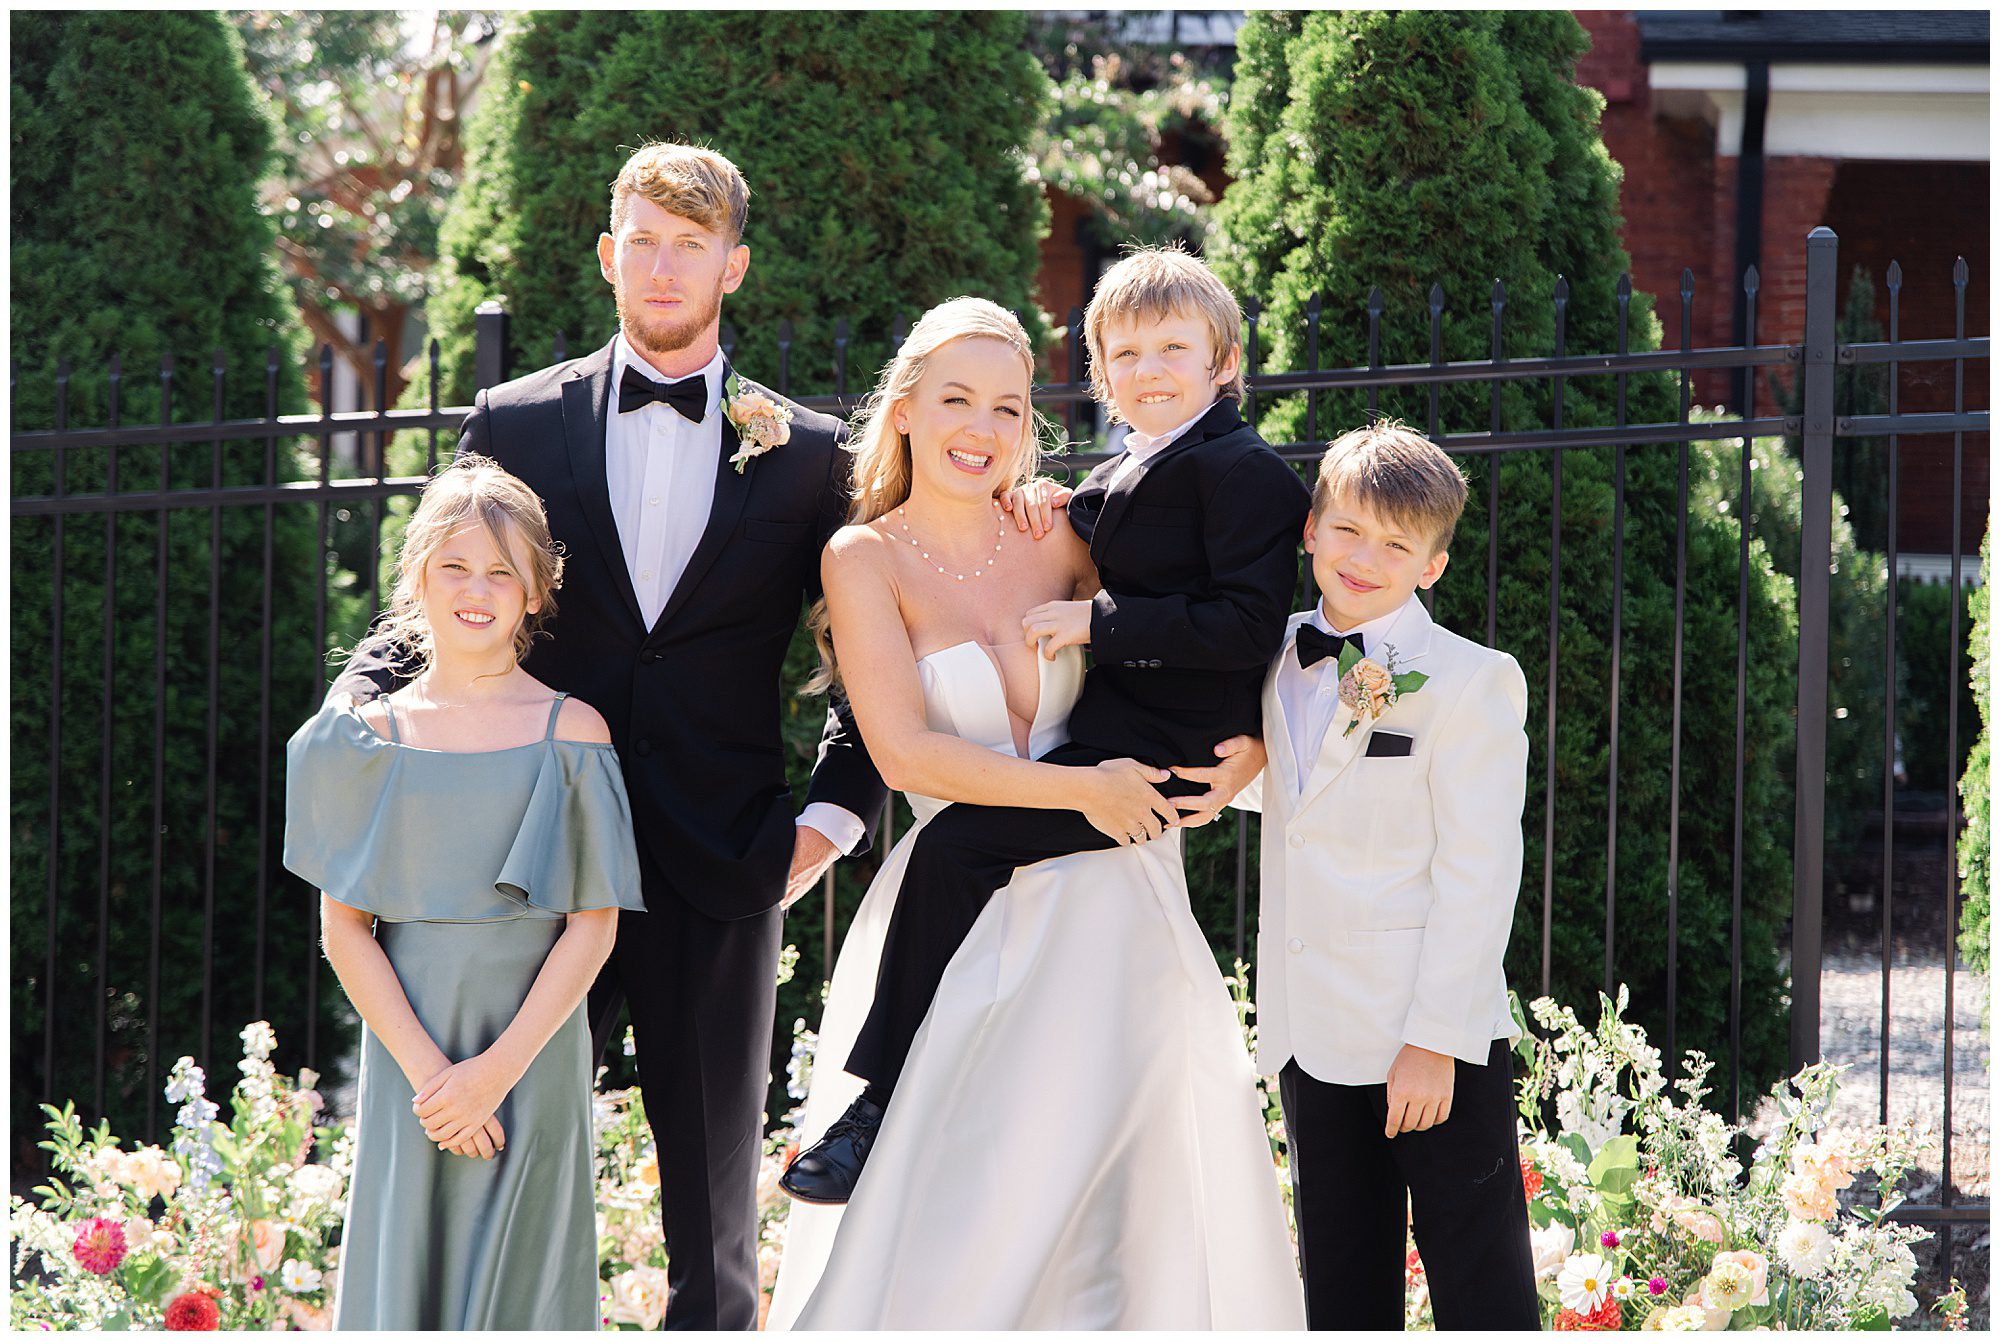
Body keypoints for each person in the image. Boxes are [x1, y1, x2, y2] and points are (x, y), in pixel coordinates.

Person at [328, 141, 1060, 1329]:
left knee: (710, 1222)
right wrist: (354, 705)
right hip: (530, 860)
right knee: (494, 1153)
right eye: (646, 243)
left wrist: (829, 814)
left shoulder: (812, 454)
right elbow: (441, 600)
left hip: (722, 861)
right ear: (611, 258)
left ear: (735, 266)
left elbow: (877, 640)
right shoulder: (515, 422)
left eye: (693, 245)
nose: (665, 268)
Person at [765, 296, 1304, 1329]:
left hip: (1119, 905)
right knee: (967, 1205)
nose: (984, 429)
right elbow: (905, 752)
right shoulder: (862, 558)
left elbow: (1213, 635)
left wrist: (1252, 758)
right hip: (960, 919)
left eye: (1009, 408)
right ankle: (868, 1109)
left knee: (1124, 1208)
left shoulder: (1063, 530)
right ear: (907, 411)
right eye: (958, 400)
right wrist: (1083, 792)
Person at [285, 456, 647, 1328]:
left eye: (501, 571)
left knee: (524, 1280)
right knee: (407, 1263)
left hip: (530, 1055)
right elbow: (346, 931)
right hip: (414, 1058)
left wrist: (493, 1074)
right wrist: (435, 1078)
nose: (476, 589)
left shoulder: (574, 733)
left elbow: (590, 932)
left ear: (534, 593)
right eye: (454, 566)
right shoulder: (365, 738)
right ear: (415, 576)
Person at [1238, 421, 1539, 1330]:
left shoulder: (1469, 681)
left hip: (1429, 1040)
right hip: (1309, 1028)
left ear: (1433, 565)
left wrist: (1437, 1038)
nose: (1364, 557)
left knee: (1479, 1283)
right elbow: (1284, 798)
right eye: (1347, 530)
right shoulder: (1271, 653)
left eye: (1396, 544)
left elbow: (1480, 872)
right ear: (1310, 531)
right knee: (1340, 1287)